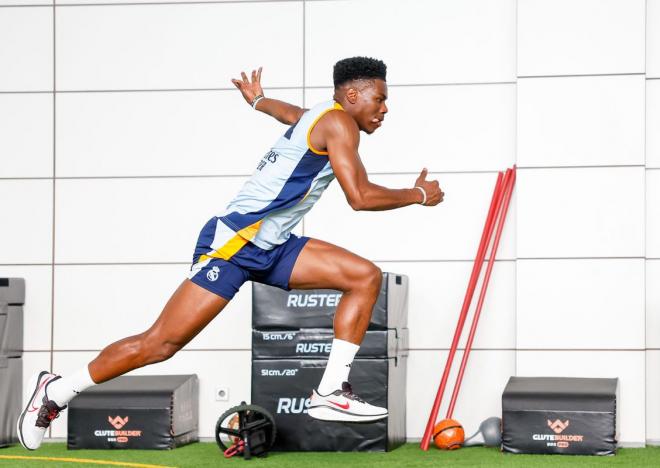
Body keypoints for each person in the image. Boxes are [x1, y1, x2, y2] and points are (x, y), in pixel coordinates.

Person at [17, 57, 443, 450]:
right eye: (380, 98)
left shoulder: (321, 116)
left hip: (272, 245)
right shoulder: (340, 126)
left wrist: (260, 101)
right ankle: (57, 391)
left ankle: (330, 390)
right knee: (159, 344)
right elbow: (360, 197)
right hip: (235, 245)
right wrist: (419, 195)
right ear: (353, 95)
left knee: (364, 277)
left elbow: (291, 117)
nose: (385, 108)